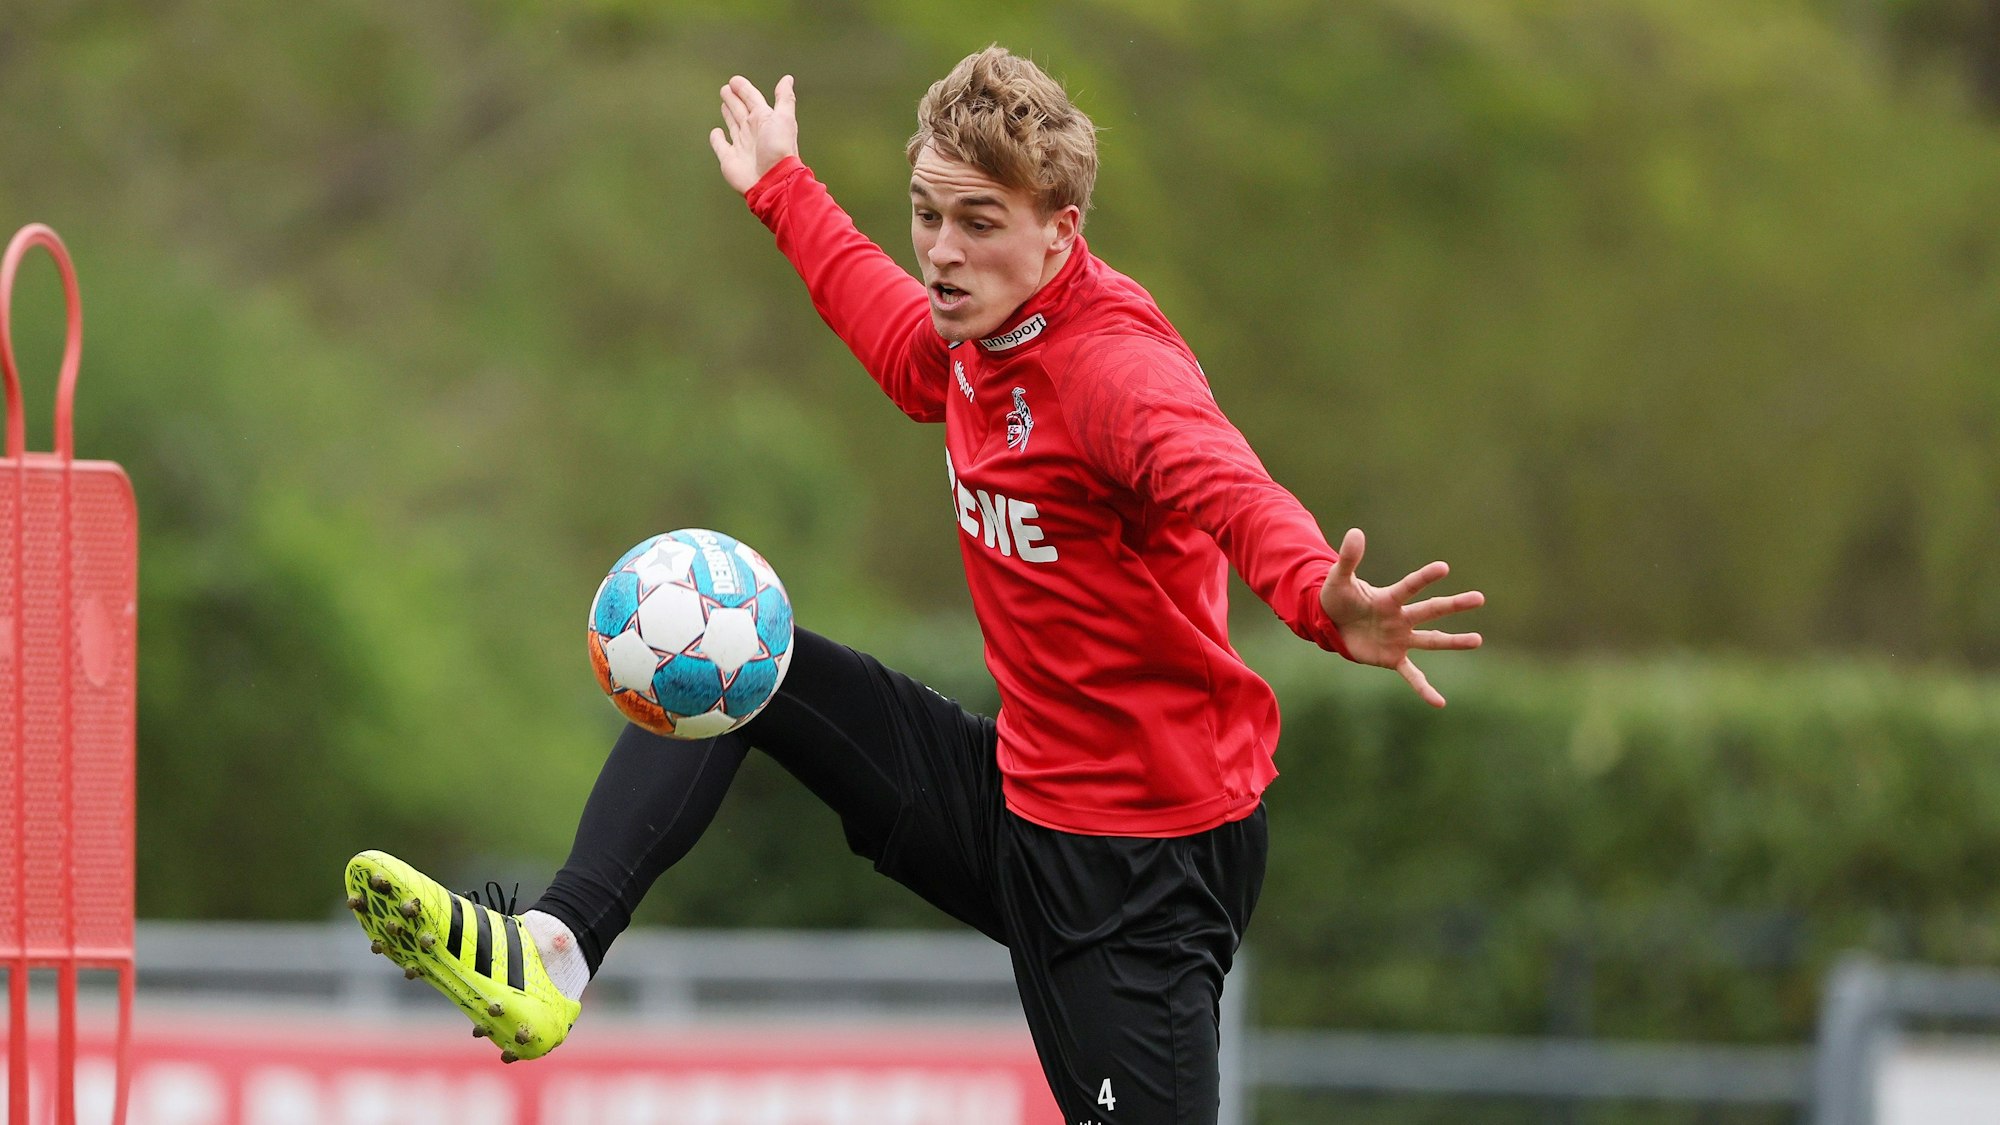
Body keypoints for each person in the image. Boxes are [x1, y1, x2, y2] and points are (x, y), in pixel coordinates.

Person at [345, 45, 1483, 1123]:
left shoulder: (1113, 373)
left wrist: (1320, 605)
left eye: (977, 223)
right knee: (731, 644)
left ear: (1059, 232)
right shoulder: (972, 336)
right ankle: (553, 951)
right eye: (928, 217)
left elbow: (1229, 488)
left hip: (1146, 866)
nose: (940, 251)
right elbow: (893, 340)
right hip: (1014, 798)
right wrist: (784, 187)